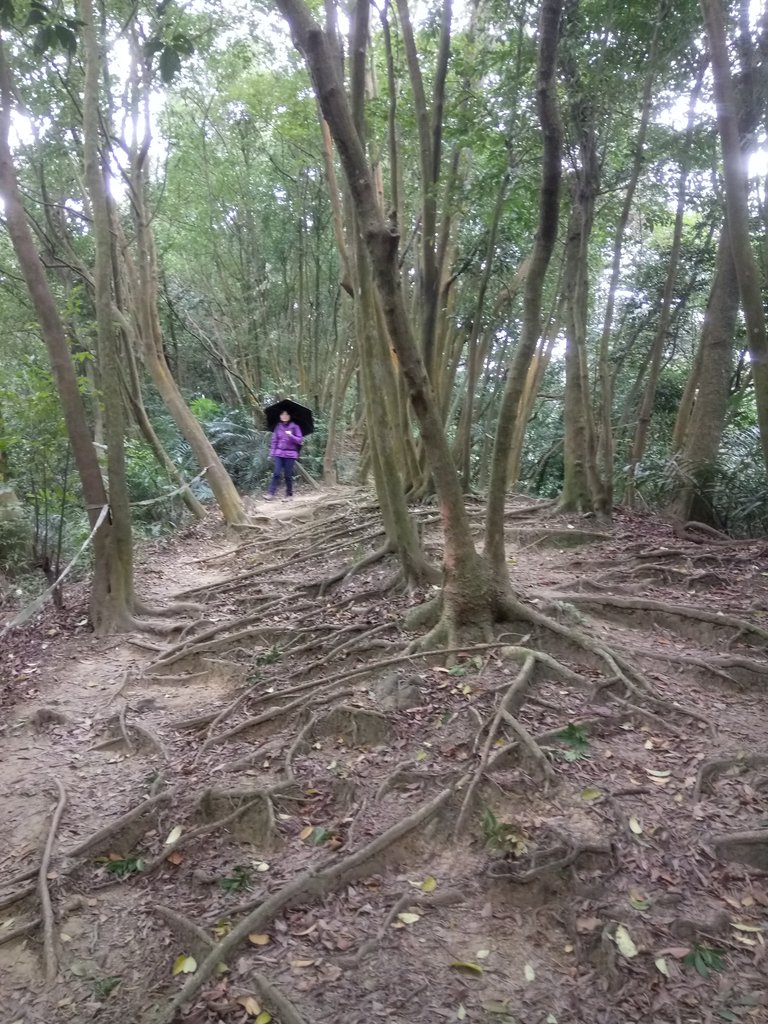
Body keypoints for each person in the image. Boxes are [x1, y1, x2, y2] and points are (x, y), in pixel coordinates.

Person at [265, 410, 303, 500]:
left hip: (290, 454)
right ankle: (270, 493)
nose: (284, 416)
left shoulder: (295, 426)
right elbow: (274, 441)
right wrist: (271, 454)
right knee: (276, 473)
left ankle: (289, 495)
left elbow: (300, 440)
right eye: (282, 414)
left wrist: (291, 436)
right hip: (279, 453)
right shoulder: (278, 427)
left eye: (286, 414)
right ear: (280, 416)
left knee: (288, 475)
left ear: (290, 416)